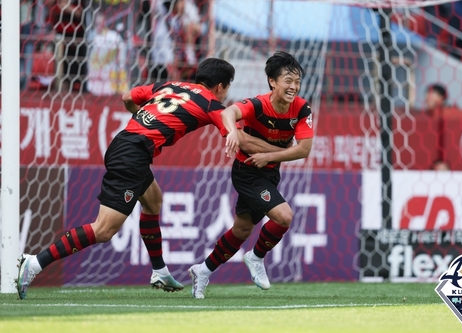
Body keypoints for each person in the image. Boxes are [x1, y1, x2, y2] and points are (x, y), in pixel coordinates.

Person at [15, 58, 283, 300]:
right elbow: (242, 139)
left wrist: (142, 118)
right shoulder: (210, 103)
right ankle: (35, 263)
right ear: (222, 86)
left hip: (126, 143)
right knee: (104, 229)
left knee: (153, 200)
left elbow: (128, 96)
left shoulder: (169, 85)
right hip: (132, 155)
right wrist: (283, 151)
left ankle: (159, 271)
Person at [188, 51, 314, 299]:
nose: (293, 87)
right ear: (272, 82)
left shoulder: (301, 108)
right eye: (288, 81)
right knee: (283, 216)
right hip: (247, 173)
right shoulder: (258, 104)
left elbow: (304, 150)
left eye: (297, 82)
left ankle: (202, 271)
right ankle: (256, 258)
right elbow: (227, 113)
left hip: (268, 172)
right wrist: (233, 133)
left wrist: (268, 156)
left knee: (241, 231)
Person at [47, 0, 88, 92]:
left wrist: (67, 8)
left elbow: (80, 14)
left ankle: (74, 89)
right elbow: (53, 11)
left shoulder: (78, 2)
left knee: (74, 65)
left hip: (75, 37)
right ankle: (61, 88)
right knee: (61, 64)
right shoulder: (57, 3)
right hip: (60, 36)